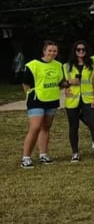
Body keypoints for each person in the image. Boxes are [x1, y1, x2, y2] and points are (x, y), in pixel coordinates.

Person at [20, 40, 66, 168]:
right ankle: (26, 157)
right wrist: (29, 95)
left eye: (55, 51)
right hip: (36, 99)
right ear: (44, 51)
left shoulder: (58, 65)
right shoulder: (33, 65)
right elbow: (25, 83)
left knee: (46, 127)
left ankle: (43, 155)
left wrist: (69, 83)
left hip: (51, 99)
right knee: (35, 127)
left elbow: (60, 82)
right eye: (50, 50)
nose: (52, 53)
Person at [64, 41, 94, 163]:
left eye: (83, 50)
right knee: (73, 127)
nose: (81, 52)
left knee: (93, 125)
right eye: (78, 49)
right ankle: (75, 152)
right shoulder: (66, 66)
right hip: (72, 100)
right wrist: (69, 83)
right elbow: (61, 83)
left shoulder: (92, 64)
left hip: (88, 99)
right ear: (74, 51)